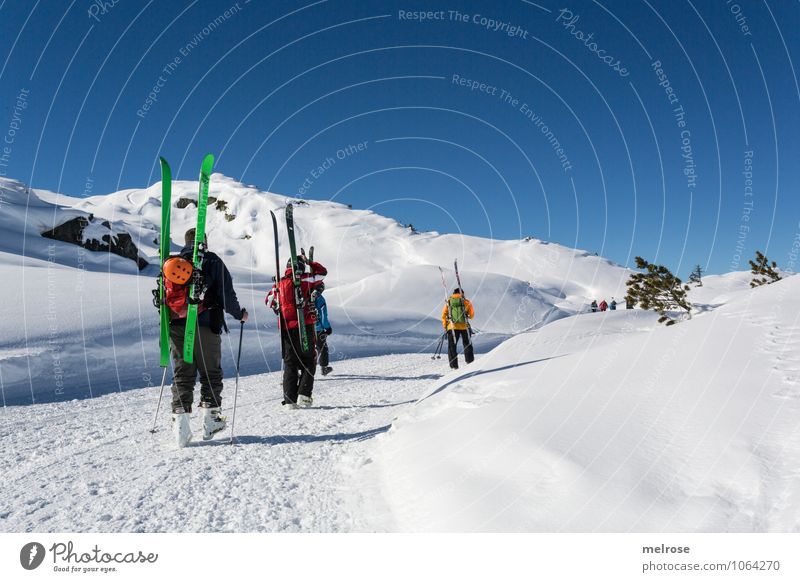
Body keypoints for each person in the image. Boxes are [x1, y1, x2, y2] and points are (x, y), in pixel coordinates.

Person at [166, 228, 248, 447]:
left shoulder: (173, 263)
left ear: (185, 242)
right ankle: (210, 420)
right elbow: (226, 295)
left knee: (183, 374)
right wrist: (239, 314)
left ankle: (180, 428)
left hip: (176, 325)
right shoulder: (212, 261)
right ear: (205, 242)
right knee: (210, 372)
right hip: (205, 324)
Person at [266, 256, 327, 408]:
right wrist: (310, 262)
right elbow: (323, 273)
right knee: (309, 359)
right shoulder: (306, 279)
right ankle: (304, 395)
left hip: (286, 329)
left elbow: (268, 301)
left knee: (290, 363)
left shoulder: (279, 284)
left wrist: (277, 305)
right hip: (305, 326)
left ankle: (289, 401)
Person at [442, 287, 475, 370]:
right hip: (464, 326)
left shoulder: (449, 302)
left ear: (453, 293)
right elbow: (472, 315)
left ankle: (454, 366)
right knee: (467, 344)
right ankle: (469, 362)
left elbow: (443, 315)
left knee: (452, 346)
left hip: (452, 327)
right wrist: (466, 315)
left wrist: (445, 326)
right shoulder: (466, 302)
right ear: (462, 293)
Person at [313, 282, 333, 376]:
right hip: (318, 329)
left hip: (307, 328)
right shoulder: (320, 299)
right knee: (322, 348)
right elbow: (324, 315)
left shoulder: (307, 296)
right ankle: (324, 368)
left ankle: (304, 371)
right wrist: (327, 328)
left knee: (308, 350)